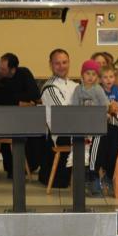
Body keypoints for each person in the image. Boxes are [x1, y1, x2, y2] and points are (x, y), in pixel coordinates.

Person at [69, 59, 111, 196]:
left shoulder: (98, 89)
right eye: (88, 73)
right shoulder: (77, 89)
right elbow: (73, 107)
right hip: (81, 124)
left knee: (97, 142)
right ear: (82, 75)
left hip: (96, 123)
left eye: (94, 74)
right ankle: (82, 179)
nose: (91, 77)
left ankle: (92, 178)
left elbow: (105, 105)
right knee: (78, 143)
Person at [38, 49, 79, 188]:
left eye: (64, 62)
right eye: (57, 63)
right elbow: (64, 113)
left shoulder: (75, 85)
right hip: (60, 132)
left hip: (77, 127)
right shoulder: (49, 87)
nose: (62, 66)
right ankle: (88, 178)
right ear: (51, 65)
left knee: (107, 132)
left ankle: (95, 177)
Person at [98, 65, 118, 194]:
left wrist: (116, 107)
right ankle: (104, 171)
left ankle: (109, 175)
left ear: (114, 78)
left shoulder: (116, 89)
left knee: (115, 143)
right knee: (106, 141)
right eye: (105, 77)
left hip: (115, 124)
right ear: (100, 79)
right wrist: (110, 106)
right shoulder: (98, 90)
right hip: (102, 123)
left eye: (111, 77)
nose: (109, 80)